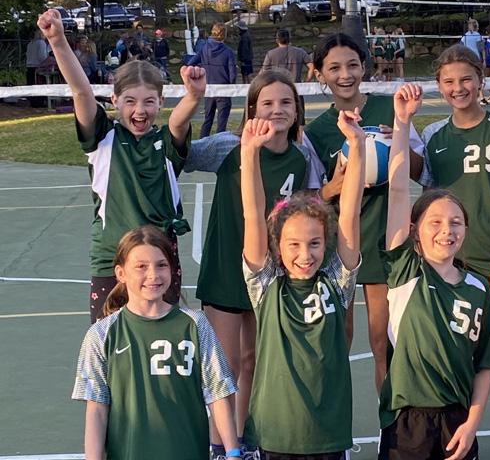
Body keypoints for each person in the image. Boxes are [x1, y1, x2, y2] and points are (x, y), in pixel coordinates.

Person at [183, 69, 320, 457]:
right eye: (267, 103)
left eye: (286, 102)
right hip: (226, 271)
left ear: (297, 110)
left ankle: (242, 438)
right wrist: (189, 103)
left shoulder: (300, 157)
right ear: (252, 109)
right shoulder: (229, 147)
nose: (277, 109)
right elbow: (181, 153)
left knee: (254, 361)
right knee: (223, 365)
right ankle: (218, 443)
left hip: (268, 277)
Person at [37, 8, 205, 323]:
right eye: (130, 101)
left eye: (149, 101)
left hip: (159, 262)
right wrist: (57, 40)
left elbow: (179, 121)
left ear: (161, 102)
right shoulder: (103, 138)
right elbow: (81, 90)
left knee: (160, 341)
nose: (140, 110)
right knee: (108, 343)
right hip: (110, 260)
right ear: (114, 101)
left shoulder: (166, 143)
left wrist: (194, 96)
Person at [239, 97, 365, 457]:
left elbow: (350, 213)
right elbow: (253, 213)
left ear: (326, 243)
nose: (305, 255)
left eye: (314, 243)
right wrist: (249, 152)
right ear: (277, 247)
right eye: (293, 245)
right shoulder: (266, 286)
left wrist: (356, 145)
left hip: (328, 435)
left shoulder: (337, 282)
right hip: (275, 435)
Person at [380, 83, 490, 460]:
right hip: (407, 420)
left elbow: (484, 365)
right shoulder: (406, 272)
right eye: (436, 222)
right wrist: (402, 123)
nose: (447, 230)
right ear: (414, 230)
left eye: (456, 222)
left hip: (457, 420)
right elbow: (398, 191)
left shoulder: (478, 289)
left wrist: (472, 423)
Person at [302, 33, 424, 393]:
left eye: (352, 65)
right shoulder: (317, 132)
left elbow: (421, 171)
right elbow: (310, 199)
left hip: (386, 240)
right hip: (339, 243)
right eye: (334, 68)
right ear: (319, 73)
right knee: (336, 340)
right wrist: (334, 187)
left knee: (383, 342)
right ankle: (333, 420)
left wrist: (398, 138)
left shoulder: (390, 108)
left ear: (364, 67)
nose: (345, 75)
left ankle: (391, 420)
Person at [419, 39, 490, 407]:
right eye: (449, 81)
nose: (458, 88)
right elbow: (428, 208)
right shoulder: (432, 136)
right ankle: (456, 426)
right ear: (439, 86)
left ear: (481, 80)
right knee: (452, 355)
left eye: (466, 79)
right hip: (448, 265)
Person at [72, 226, 242, 460]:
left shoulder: (195, 324)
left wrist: (233, 451)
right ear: (121, 273)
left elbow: (218, 393)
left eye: (161, 265)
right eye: (141, 266)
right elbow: (97, 409)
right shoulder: (102, 334)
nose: (153, 275)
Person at [188, 22, 237, 137]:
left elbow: (190, 63)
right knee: (222, 121)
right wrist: (232, 86)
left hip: (209, 88)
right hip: (223, 89)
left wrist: (202, 69)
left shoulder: (204, 49)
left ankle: (202, 141)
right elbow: (232, 73)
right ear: (224, 35)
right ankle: (219, 143)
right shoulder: (228, 51)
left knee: (208, 119)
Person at [261, 28, 314, 127]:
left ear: (277, 40)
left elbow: (264, 72)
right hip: (297, 89)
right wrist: (307, 80)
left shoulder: (271, 54)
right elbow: (311, 66)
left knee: (279, 118)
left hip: (277, 89)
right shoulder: (299, 52)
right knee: (300, 120)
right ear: (289, 39)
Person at [25, 29, 49, 107]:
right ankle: (39, 102)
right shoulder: (41, 43)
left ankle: (33, 102)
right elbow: (42, 56)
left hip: (29, 66)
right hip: (37, 67)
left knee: (31, 84)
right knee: (39, 84)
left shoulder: (30, 43)